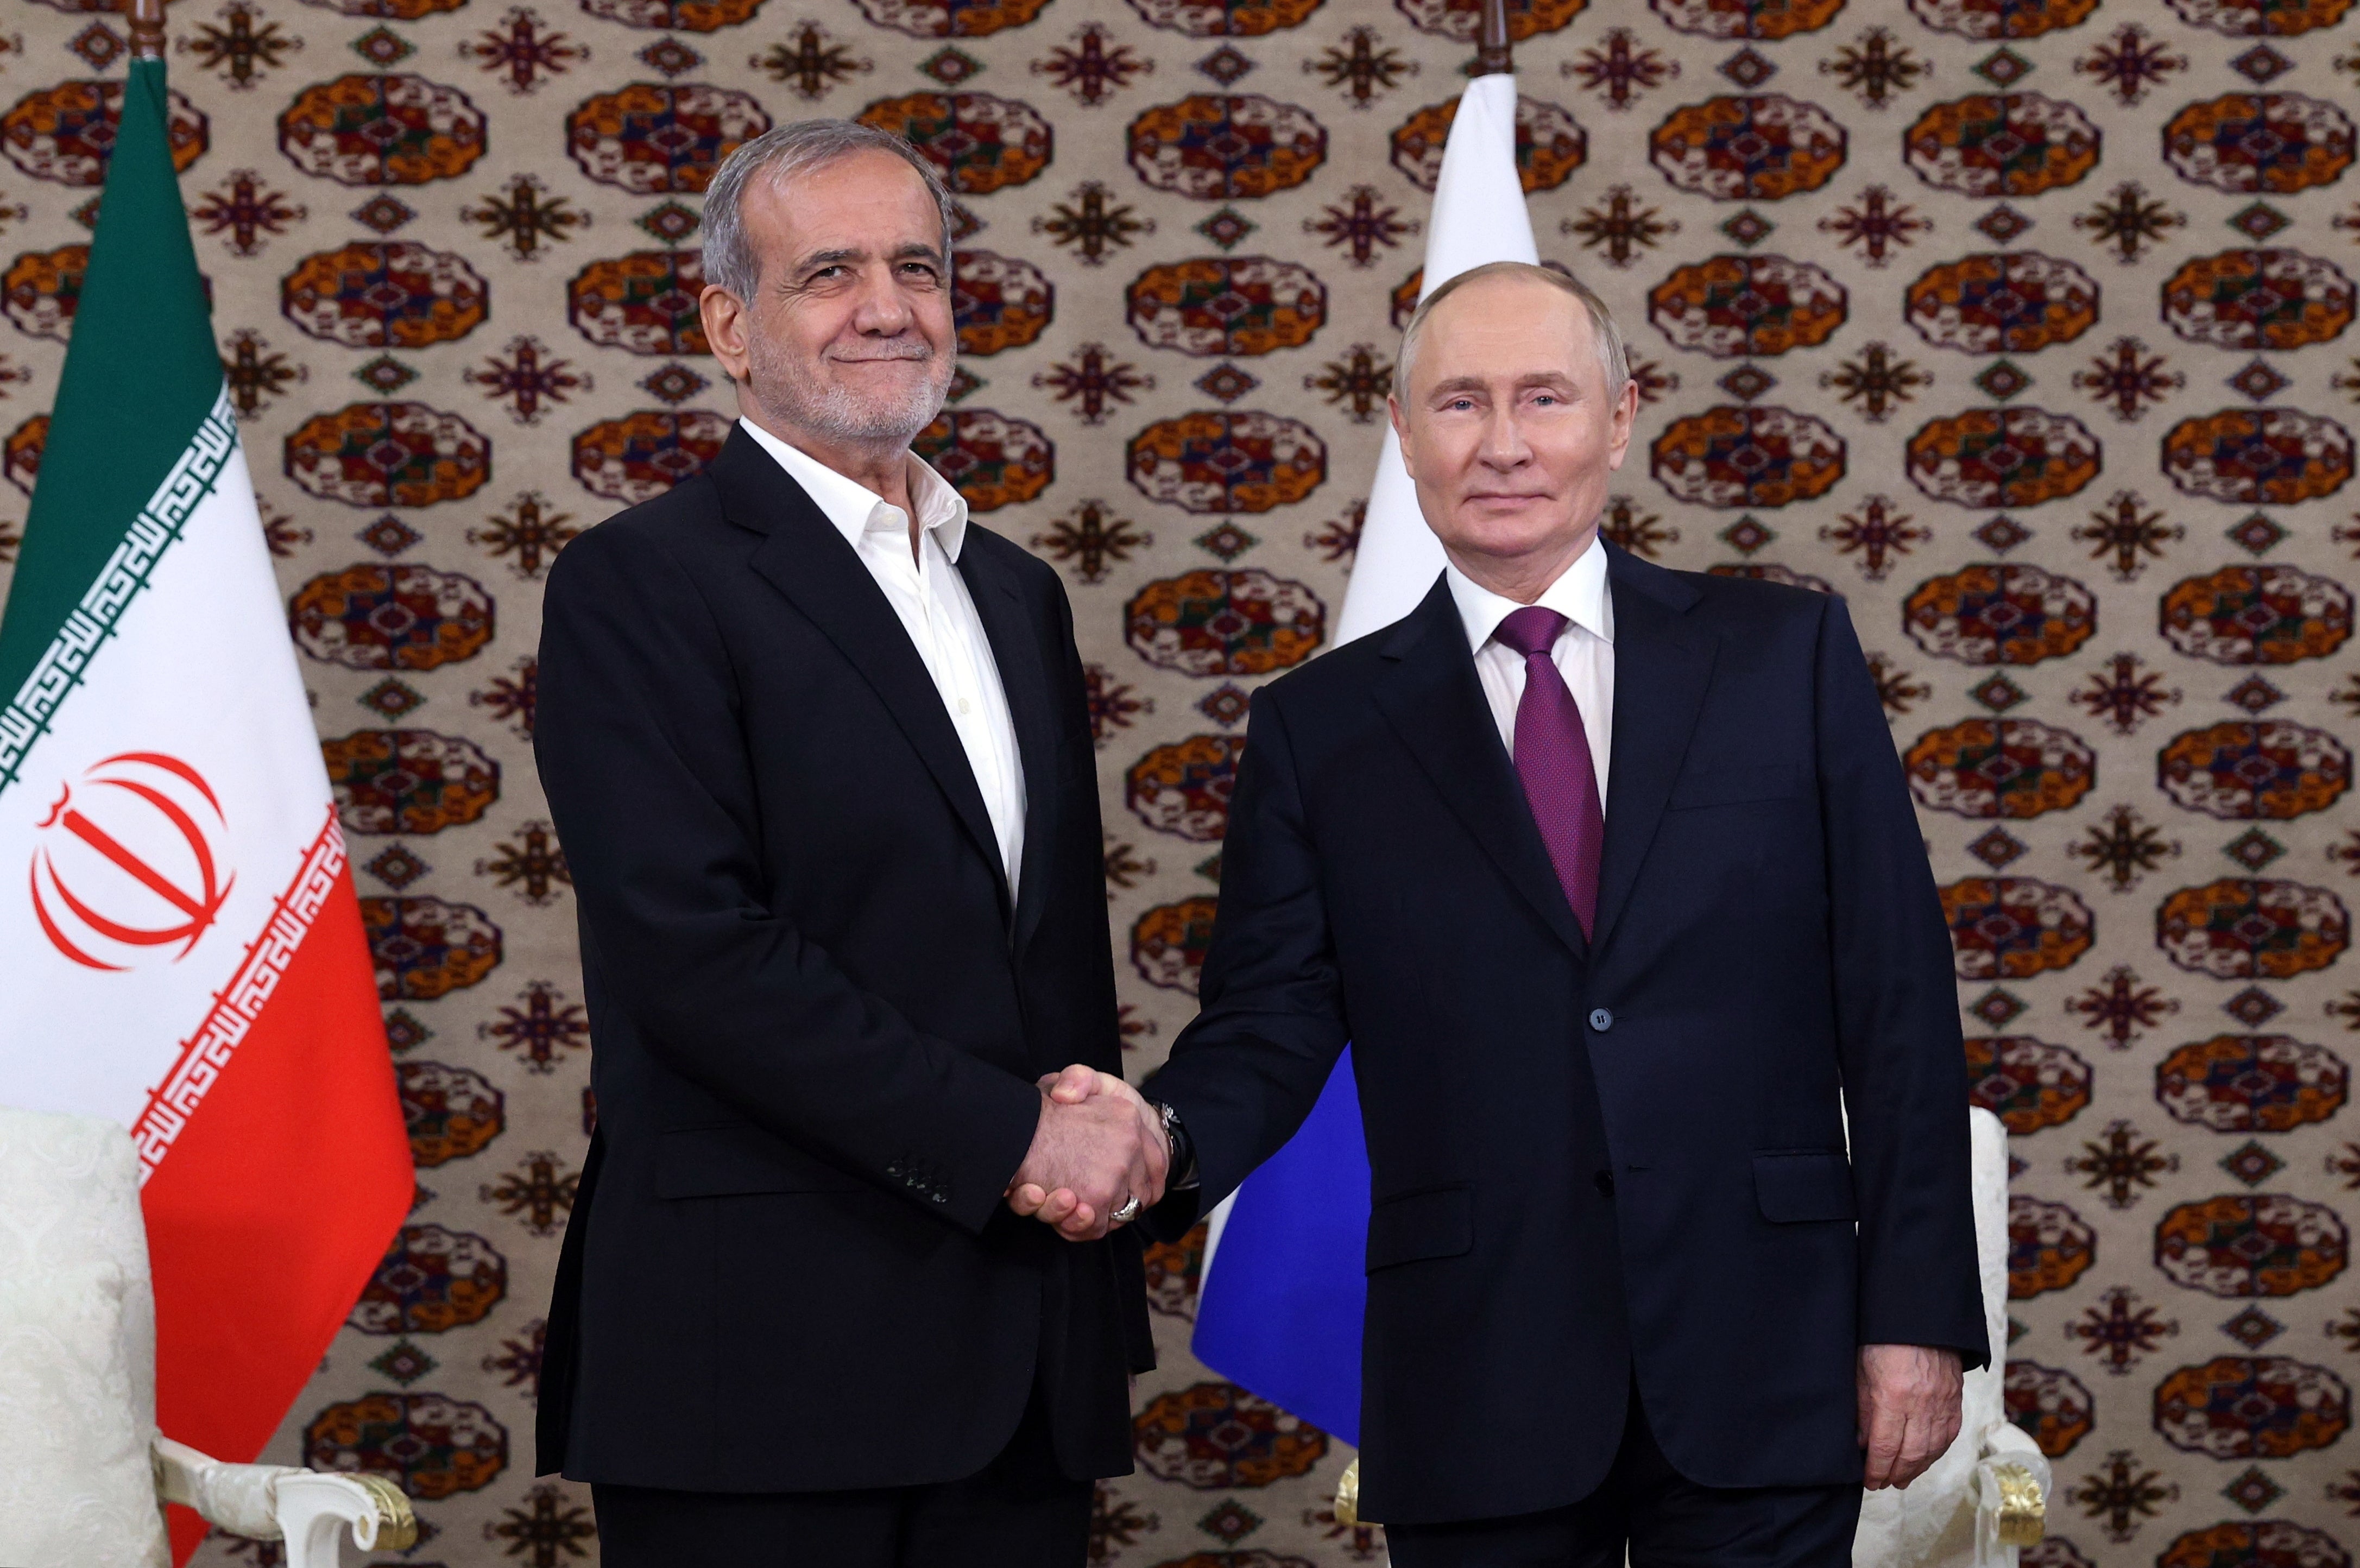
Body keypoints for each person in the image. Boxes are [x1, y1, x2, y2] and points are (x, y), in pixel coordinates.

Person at [1015, 261, 1987, 1566]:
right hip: (1476, 1373)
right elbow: (1273, 1019)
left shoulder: (1783, 659)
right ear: (1405, 434)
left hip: (1765, 1352)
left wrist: (1914, 1314)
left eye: (1545, 396)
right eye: (1461, 403)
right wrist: (1159, 1138)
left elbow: (1900, 1010)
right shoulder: (1321, 726)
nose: (1505, 444)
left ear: (1621, 415)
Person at [533, 118, 1170, 1567]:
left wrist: (1092, 1166)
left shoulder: (1012, 593)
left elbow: (1039, 964)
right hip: (757, 1362)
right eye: (828, 270)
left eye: (917, 266)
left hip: (1019, 1362)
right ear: (728, 326)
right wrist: (1017, 1134)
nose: (888, 304)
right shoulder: (640, 585)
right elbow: (696, 954)